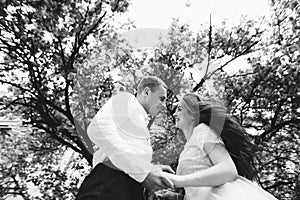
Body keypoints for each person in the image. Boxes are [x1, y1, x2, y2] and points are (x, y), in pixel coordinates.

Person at [156, 93, 278, 200]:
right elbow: (198, 188)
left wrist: (177, 180)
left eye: (179, 109)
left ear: (193, 114)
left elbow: (228, 170)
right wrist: (179, 197)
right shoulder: (187, 148)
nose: (175, 113)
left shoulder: (202, 131)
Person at [76, 76, 175, 200]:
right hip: (109, 183)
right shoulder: (126, 100)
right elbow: (98, 129)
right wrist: (143, 172)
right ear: (147, 92)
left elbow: (132, 164)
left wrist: (149, 170)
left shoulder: (140, 124)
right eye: (161, 99)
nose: (164, 105)